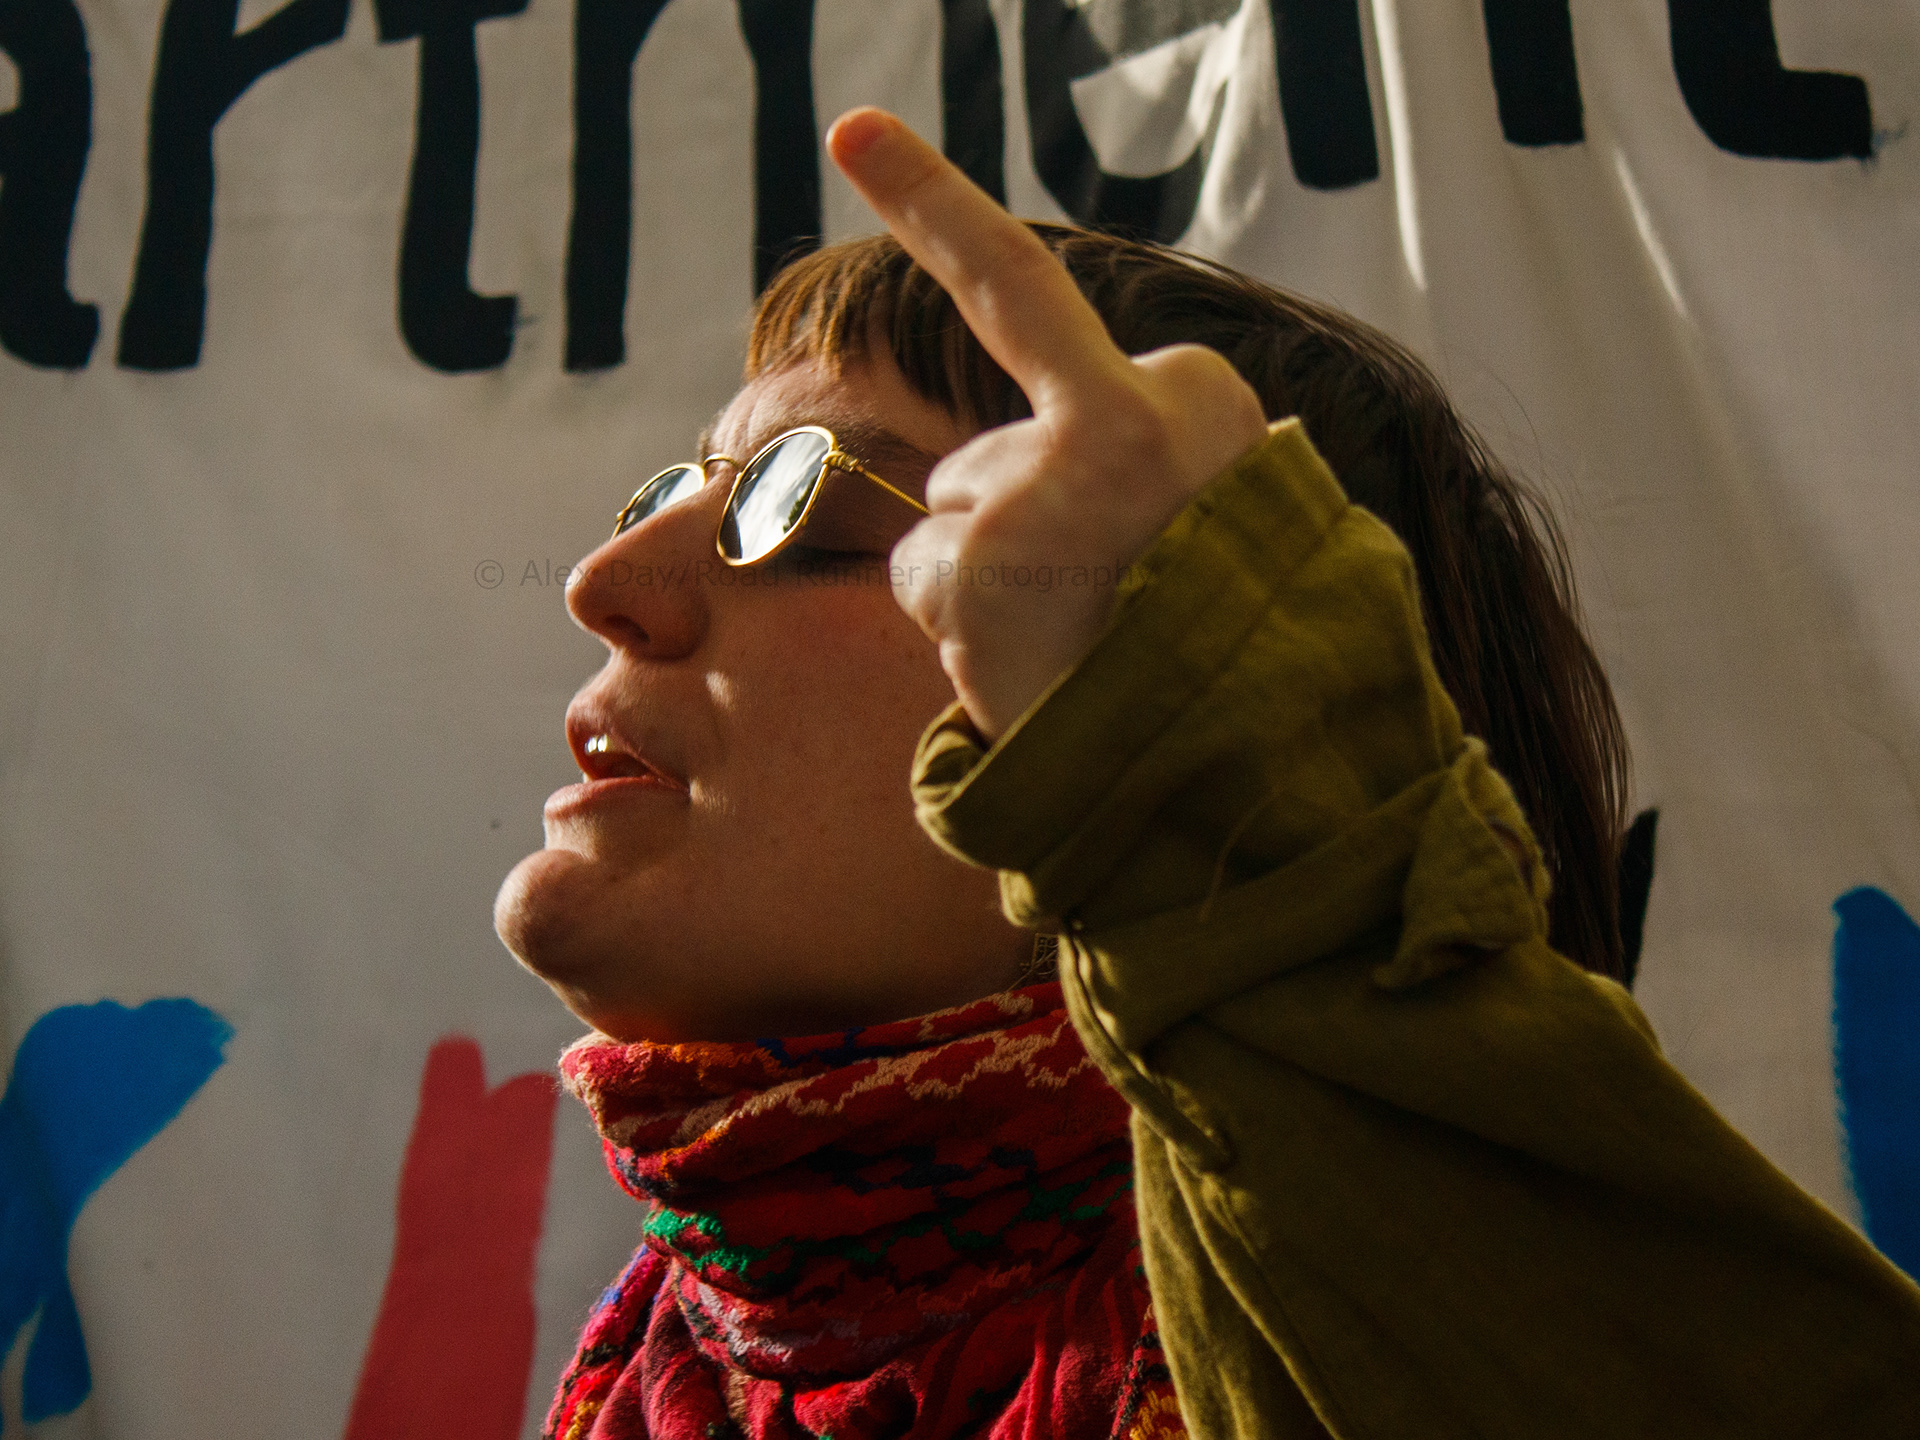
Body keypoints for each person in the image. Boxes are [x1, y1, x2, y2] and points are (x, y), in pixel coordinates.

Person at [495, 109, 1920, 1439]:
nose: (607, 581)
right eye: (677, 493)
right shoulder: (661, 1373)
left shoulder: (1400, 1347)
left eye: (791, 498)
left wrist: (1234, 793)